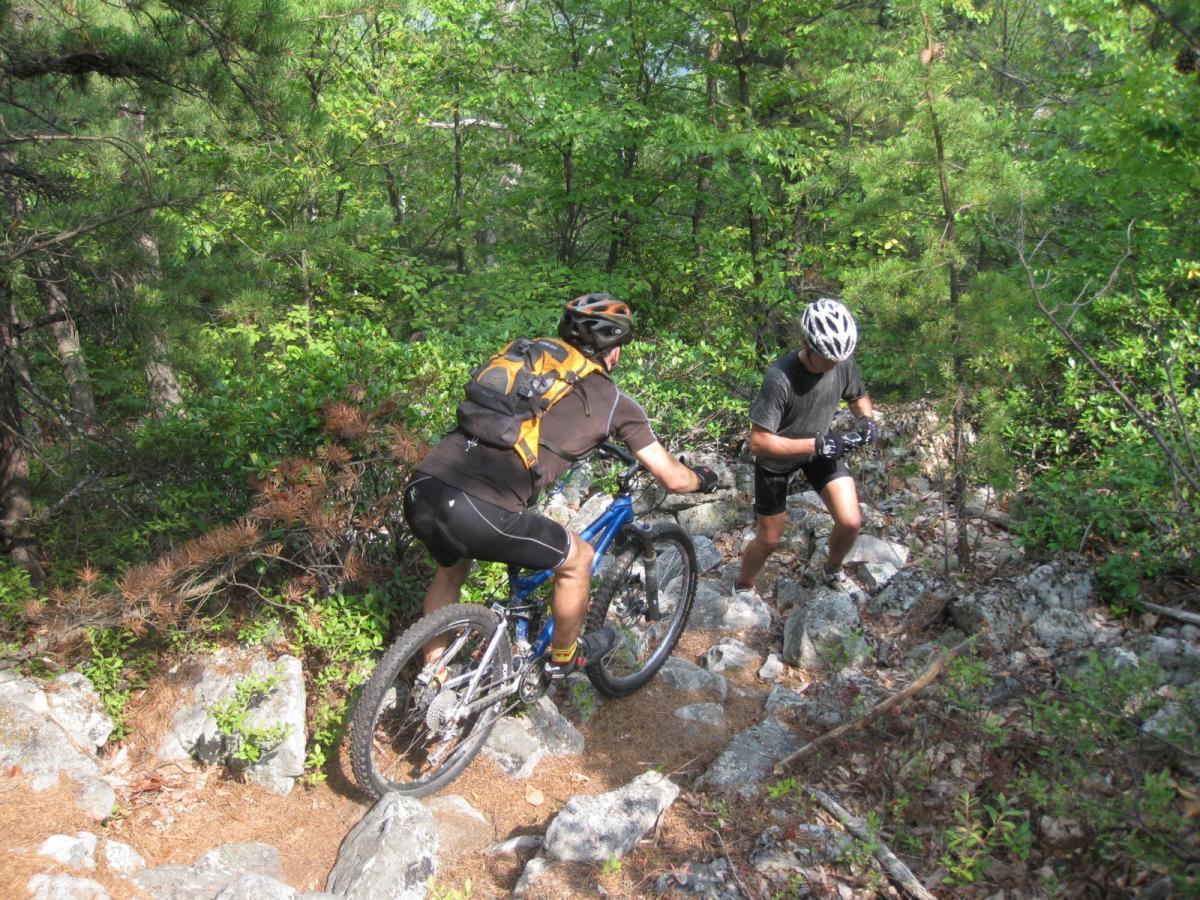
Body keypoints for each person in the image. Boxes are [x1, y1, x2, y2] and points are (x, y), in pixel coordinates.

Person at [403, 293, 718, 676]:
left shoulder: (528, 362)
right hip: (479, 511)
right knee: (579, 559)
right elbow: (671, 476)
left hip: (424, 487)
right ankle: (565, 658)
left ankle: (433, 679)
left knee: (452, 570)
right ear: (613, 351)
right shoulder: (611, 400)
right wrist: (701, 480)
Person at [735, 297, 876, 596]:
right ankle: (743, 586)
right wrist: (817, 443)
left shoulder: (841, 361)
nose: (831, 364)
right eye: (825, 357)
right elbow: (758, 443)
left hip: (820, 451)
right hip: (778, 461)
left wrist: (867, 421)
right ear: (806, 343)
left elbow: (858, 396)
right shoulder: (780, 378)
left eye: (837, 359)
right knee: (770, 539)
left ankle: (832, 569)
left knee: (851, 521)